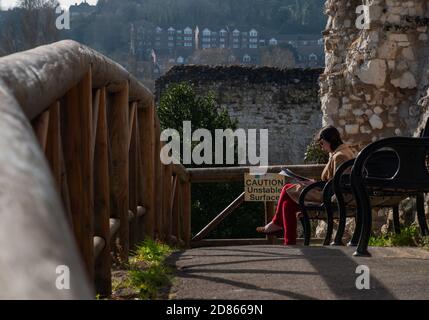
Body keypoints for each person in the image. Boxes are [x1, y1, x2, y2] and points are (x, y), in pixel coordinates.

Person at [256, 125, 356, 245]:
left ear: (326, 141)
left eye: (322, 144)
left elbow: (337, 186)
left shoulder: (340, 156)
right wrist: (314, 183)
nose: (322, 147)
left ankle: (277, 225)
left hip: (332, 197)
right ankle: (288, 241)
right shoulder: (343, 151)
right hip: (333, 193)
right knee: (288, 205)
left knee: (287, 188)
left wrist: (316, 185)